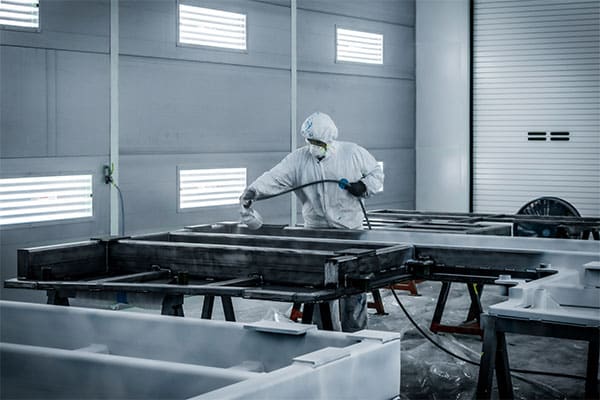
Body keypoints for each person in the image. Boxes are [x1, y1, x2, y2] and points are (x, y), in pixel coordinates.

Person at [240, 111, 384, 332]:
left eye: (318, 142)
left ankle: (357, 337)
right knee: (320, 287)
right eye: (310, 141)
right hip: (316, 231)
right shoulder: (299, 159)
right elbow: (276, 177)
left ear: (329, 139)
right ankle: (324, 337)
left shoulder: (352, 153)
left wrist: (363, 186)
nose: (313, 146)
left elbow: (376, 174)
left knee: (353, 287)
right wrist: (254, 191)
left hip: (350, 231)